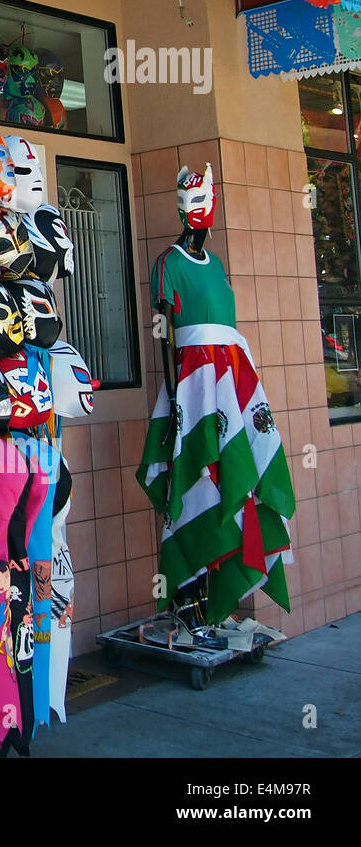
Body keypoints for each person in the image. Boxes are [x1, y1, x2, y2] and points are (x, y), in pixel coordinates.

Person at [138, 164, 295, 627]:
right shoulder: (168, 264)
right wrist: (174, 398)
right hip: (194, 390)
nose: (197, 212)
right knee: (196, 480)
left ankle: (220, 596)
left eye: (203, 201)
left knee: (231, 477)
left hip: (232, 385)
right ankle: (189, 601)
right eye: (191, 202)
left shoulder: (219, 264)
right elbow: (164, 333)